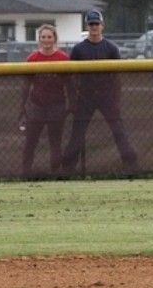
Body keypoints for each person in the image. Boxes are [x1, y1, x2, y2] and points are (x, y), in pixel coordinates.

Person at [60, 10, 138, 175]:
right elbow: (71, 77)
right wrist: (73, 99)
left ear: (102, 26)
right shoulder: (79, 50)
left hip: (106, 96)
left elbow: (117, 77)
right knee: (77, 133)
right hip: (85, 96)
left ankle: (131, 165)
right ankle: (67, 169)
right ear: (87, 26)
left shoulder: (111, 48)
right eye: (91, 24)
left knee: (118, 130)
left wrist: (115, 99)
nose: (94, 27)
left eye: (96, 24)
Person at [19, 24, 72, 177]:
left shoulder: (63, 58)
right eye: (43, 37)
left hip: (57, 105)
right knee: (30, 142)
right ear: (39, 39)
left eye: (49, 37)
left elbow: (69, 84)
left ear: (54, 38)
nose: (46, 40)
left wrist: (71, 103)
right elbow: (26, 85)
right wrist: (22, 107)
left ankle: (56, 173)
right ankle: (25, 173)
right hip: (37, 105)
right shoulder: (33, 58)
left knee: (55, 142)